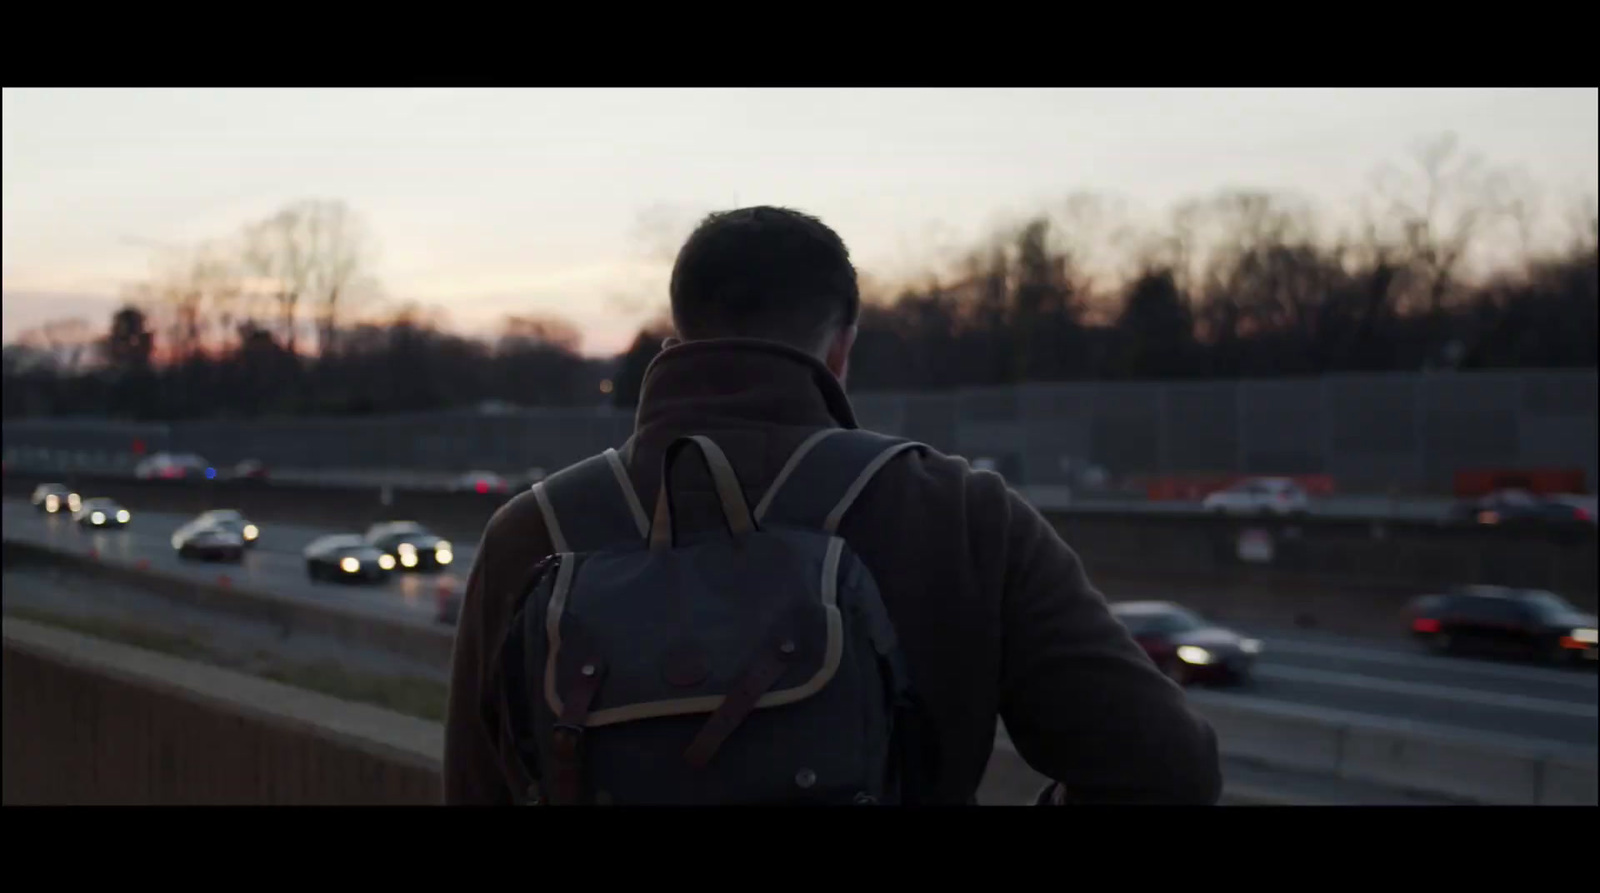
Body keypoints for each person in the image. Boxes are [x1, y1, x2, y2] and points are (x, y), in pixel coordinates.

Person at [442, 205, 1222, 804]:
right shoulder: (956, 513)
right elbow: (1168, 769)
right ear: (842, 345)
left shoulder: (531, 534)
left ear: (678, 332)